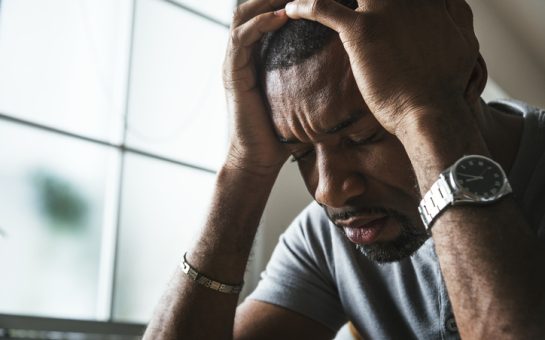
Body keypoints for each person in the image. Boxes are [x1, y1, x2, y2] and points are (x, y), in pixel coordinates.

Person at [144, 0, 545, 338]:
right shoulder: (328, 238)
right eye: (299, 154)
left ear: (468, 79)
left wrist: (429, 113)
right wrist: (243, 168)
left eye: (363, 138)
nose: (329, 192)